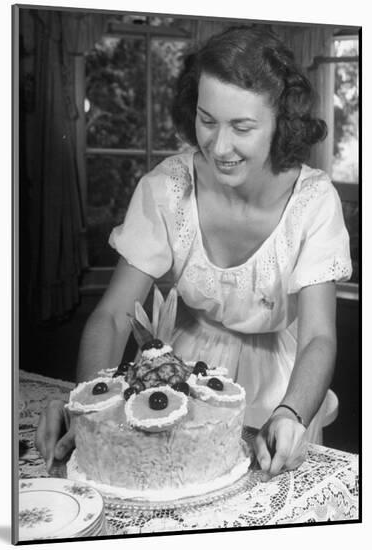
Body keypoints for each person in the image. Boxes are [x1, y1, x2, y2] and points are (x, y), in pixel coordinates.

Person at [35, 26, 352, 480]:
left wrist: (292, 413)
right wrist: (87, 402)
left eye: (242, 127)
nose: (219, 147)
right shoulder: (166, 188)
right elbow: (111, 316)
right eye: (207, 121)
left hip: (285, 384)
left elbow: (319, 337)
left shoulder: (314, 200)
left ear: (283, 121)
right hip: (182, 372)